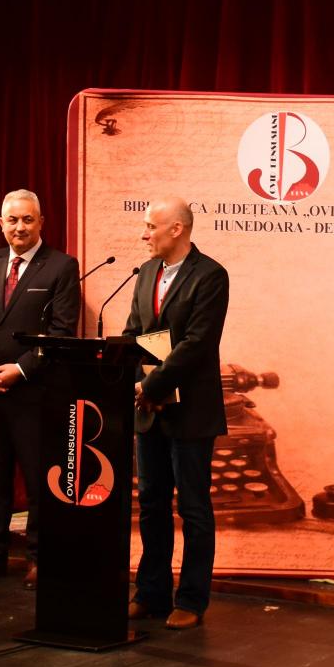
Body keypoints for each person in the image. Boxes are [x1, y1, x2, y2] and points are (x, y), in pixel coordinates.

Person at [0, 189, 80, 589]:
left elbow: (61, 332)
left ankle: (40, 558)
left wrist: (20, 370)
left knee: (39, 480)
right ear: (1, 224)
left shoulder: (61, 266)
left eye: (28, 219)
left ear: (41, 222)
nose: (20, 227)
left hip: (32, 393)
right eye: (12, 220)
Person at [122, 197, 228, 630]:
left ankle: (191, 599)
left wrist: (152, 386)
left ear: (177, 229)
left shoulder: (211, 275)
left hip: (191, 412)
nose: (144, 234)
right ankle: (151, 593)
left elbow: (197, 343)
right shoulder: (147, 272)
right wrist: (139, 383)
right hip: (150, 410)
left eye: (151, 226)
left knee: (194, 507)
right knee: (151, 503)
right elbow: (135, 334)